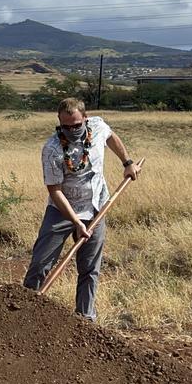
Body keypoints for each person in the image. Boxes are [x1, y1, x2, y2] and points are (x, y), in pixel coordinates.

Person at [22, 97, 140, 320]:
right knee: (41, 263)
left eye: (76, 125)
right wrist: (76, 221)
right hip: (62, 210)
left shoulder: (97, 126)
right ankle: (27, 313)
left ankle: (85, 319)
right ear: (59, 122)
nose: (72, 130)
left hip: (96, 207)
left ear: (85, 118)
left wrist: (127, 163)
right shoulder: (52, 149)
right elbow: (54, 190)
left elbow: (111, 137)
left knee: (89, 268)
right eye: (66, 126)